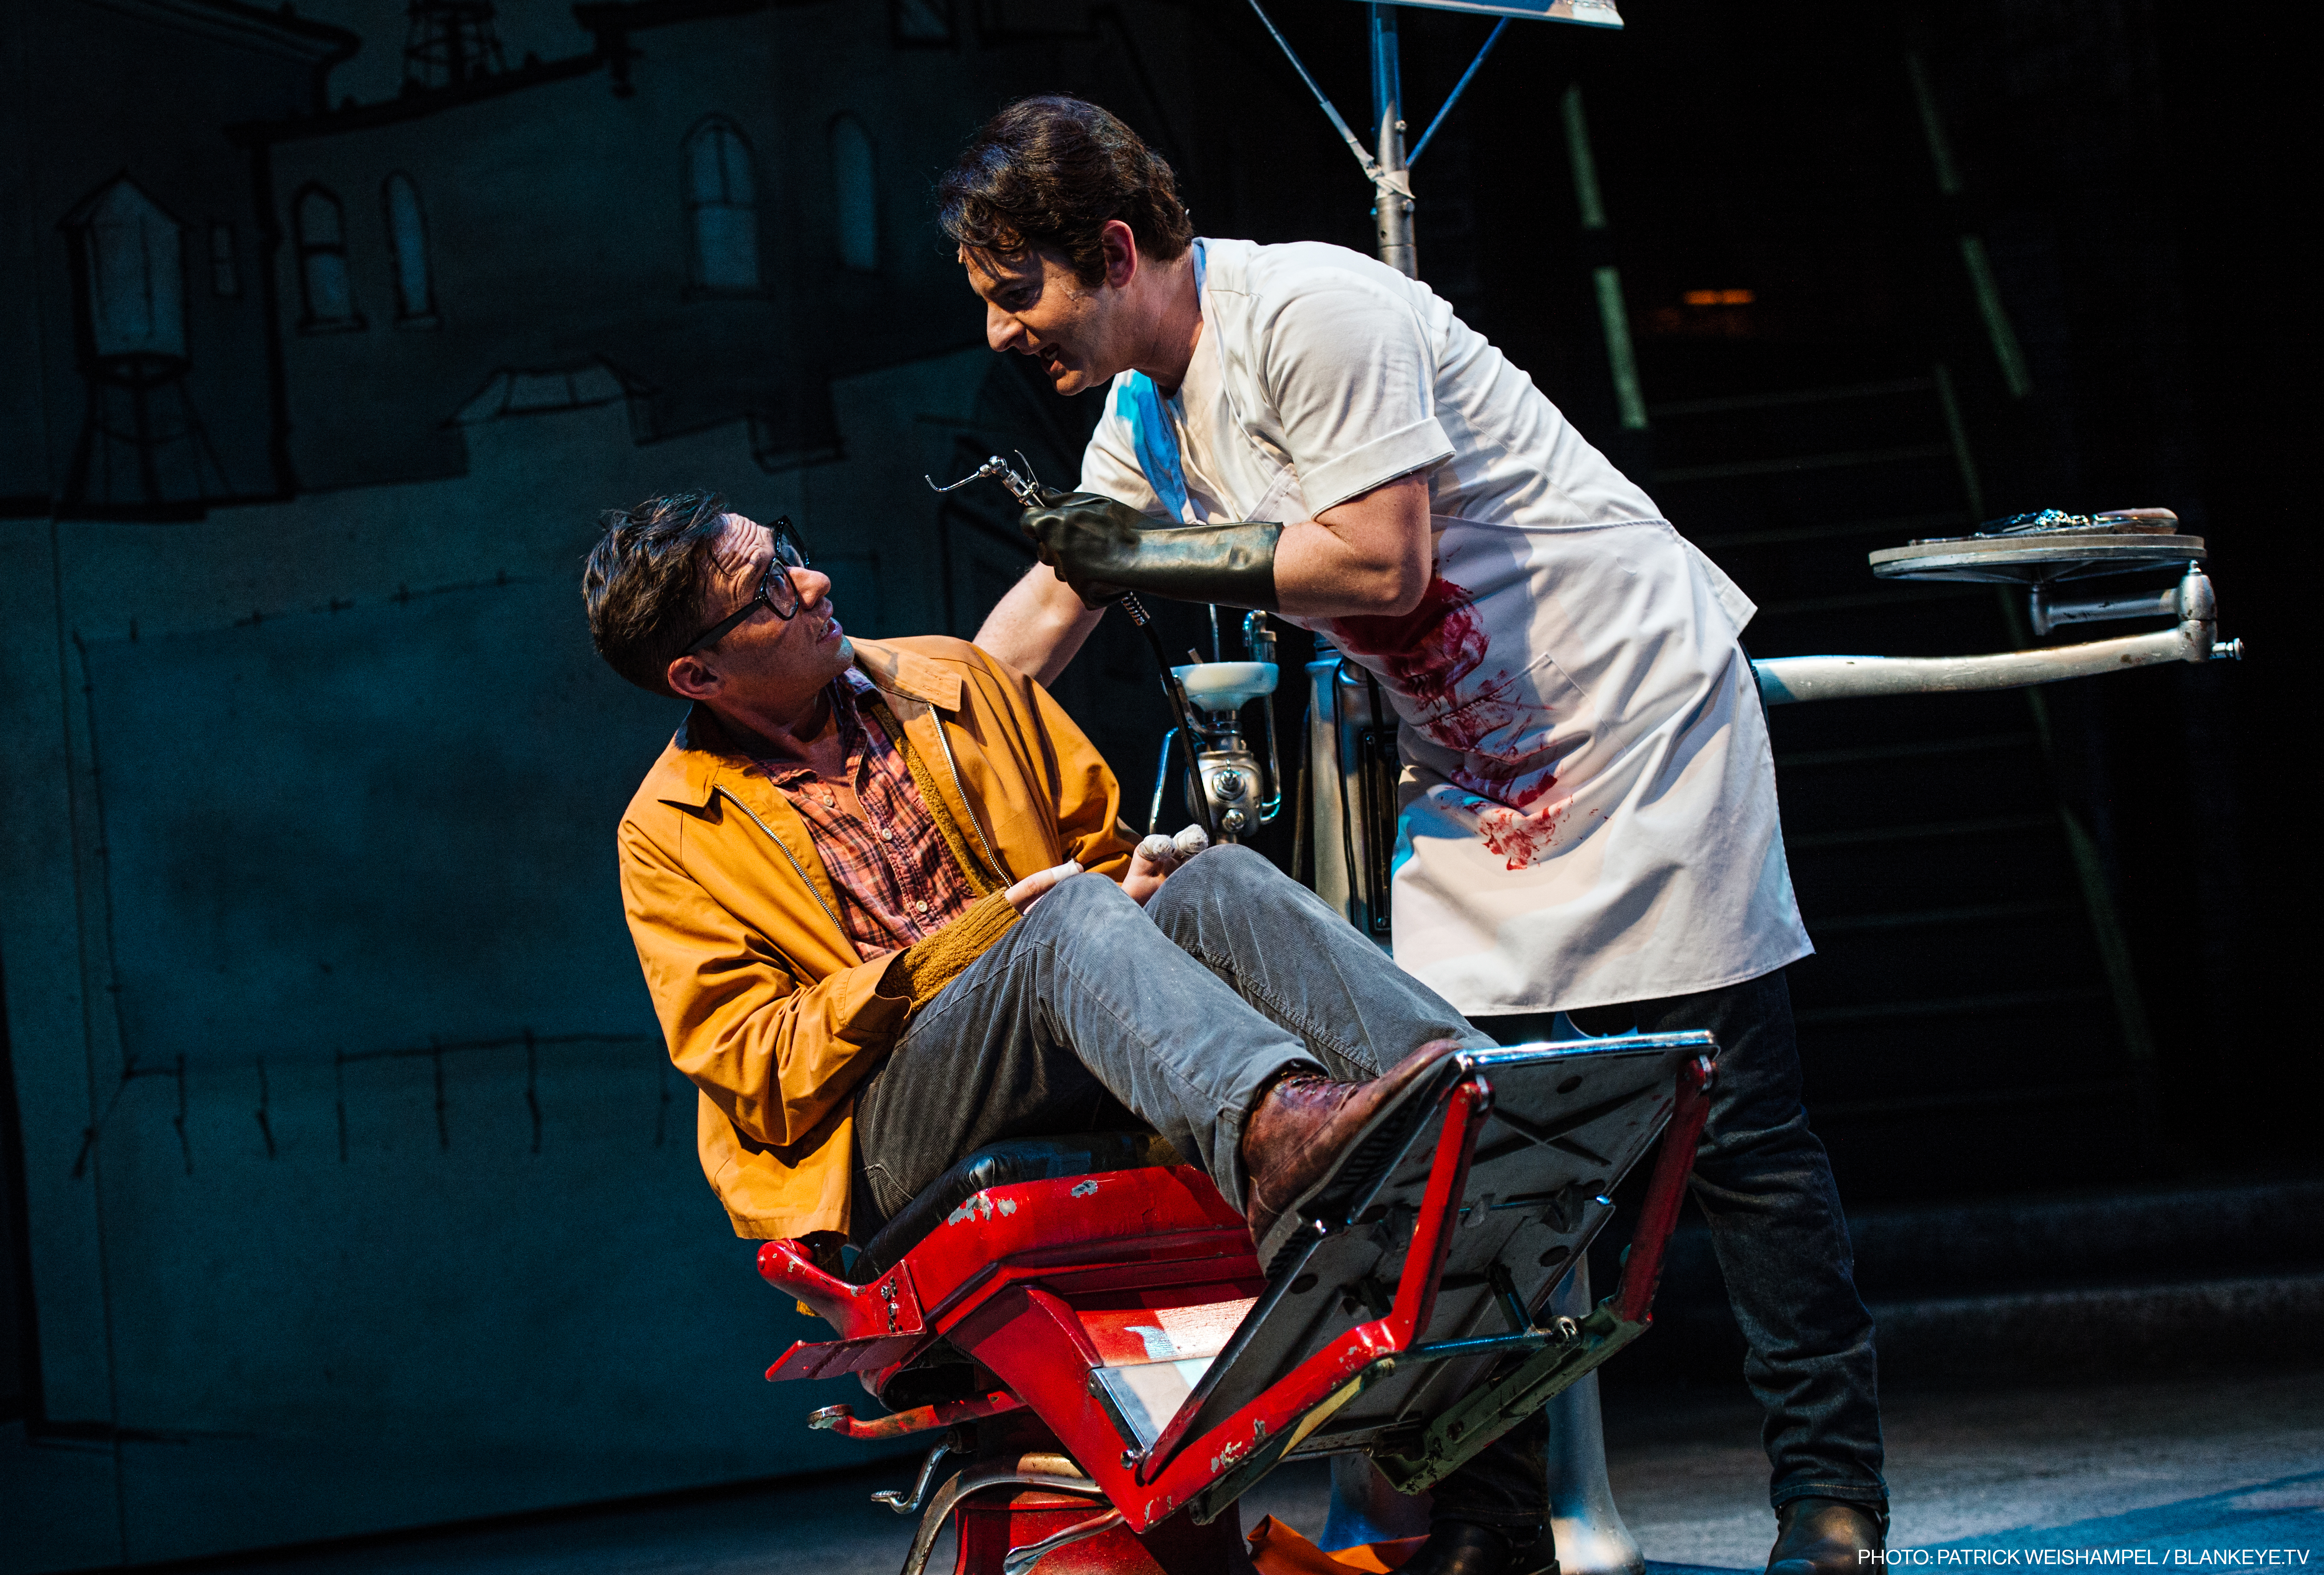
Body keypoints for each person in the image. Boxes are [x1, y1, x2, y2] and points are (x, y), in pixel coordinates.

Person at [943, 96, 1888, 1575]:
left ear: (1115, 250)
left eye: (1020, 295)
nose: (1005, 334)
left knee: (1739, 1133)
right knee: (1469, 1159)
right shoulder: (1143, 412)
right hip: (1475, 772)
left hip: (1628, 712)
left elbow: (1385, 565)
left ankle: (1830, 1504)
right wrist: (902, 715)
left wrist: (1161, 552)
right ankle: (1487, 1532)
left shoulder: (1317, 309)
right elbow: (1055, 605)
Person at [583, 491, 1560, 1575]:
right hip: (888, 1128)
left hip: (1072, 1037)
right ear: (697, 674)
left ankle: (1498, 1113)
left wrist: (1133, 879)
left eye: (793, 555)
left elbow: (1096, 860)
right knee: (1059, 922)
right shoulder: (667, 832)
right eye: (766, 592)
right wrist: (979, 944)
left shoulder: (953, 678)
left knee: (1218, 879)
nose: (811, 585)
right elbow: (760, 1065)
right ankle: (1276, 1125)